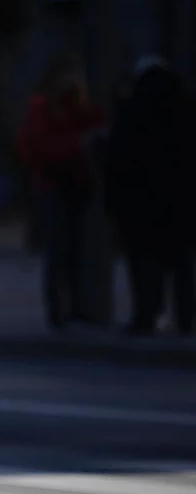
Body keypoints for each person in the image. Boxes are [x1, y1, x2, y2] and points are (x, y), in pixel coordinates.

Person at [105, 56, 196, 335]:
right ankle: (185, 319)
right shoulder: (185, 108)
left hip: (141, 202)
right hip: (182, 201)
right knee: (183, 263)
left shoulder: (132, 110)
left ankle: (146, 316)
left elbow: (118, 158)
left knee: (145, 261)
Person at [17, 55, 106, 330]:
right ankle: (58, 310)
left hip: (76, 185)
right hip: (54, 184)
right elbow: (39, 145)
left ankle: (77, 307)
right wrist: (76, 145)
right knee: (59, 249)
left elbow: (95, 123)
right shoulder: (43, 107)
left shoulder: (78, 106)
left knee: (75, 250)